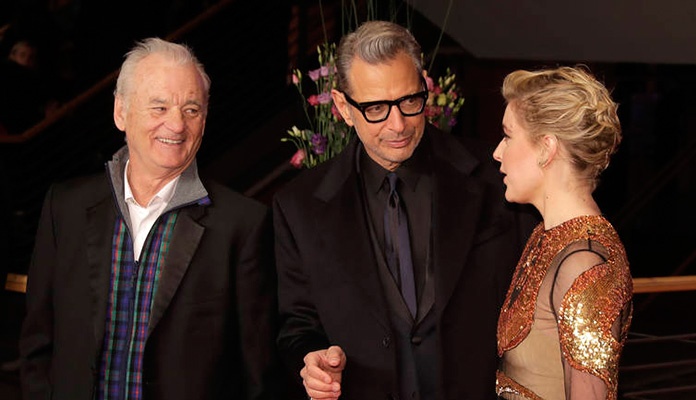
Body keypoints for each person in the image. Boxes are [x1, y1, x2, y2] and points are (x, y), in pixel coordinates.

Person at [273, 20, 536, 400]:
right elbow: (298, 325)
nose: (397, 125)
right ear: (343, 107)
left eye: (410, 101)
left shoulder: (497, 180)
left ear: (425, 86)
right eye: (376, 108)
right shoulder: (298, 206)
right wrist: (311, 359)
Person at [19, 37, 281, 400]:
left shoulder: (243, 226)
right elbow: (38, 344)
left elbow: (258, 374)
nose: (177, 125)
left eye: (191, 109)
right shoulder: (65, 207)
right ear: (121, 112)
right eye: (159, 107)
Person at [493, 66, 633, 400]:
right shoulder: (548, 238)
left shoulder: (583, 262)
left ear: (546, 148)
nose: (497, 152)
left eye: (508, 136)